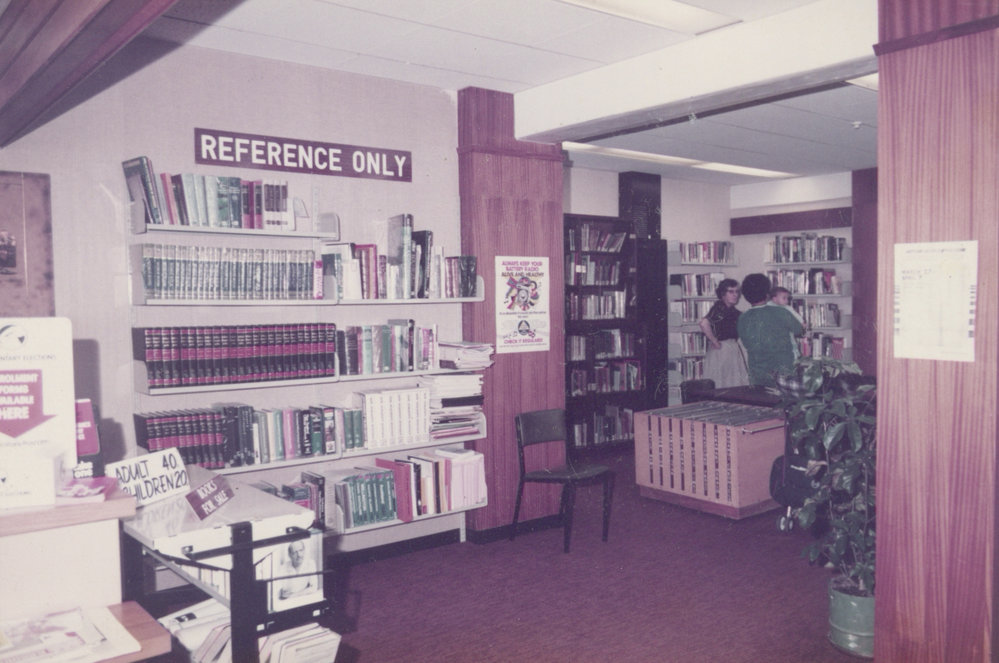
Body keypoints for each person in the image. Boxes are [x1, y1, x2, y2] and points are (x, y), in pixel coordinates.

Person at [737, 273, 804, 387]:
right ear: (767, 294)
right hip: (784, 371)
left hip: (758, 373)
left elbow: (745, 342)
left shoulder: (742, 318)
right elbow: (799, 330)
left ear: (745, 295)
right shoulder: (781, 312)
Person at [697, 278, 749, 388]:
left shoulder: (731, 310)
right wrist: (714, 341)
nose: (735, 295)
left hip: (730, 348)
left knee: (729, 382)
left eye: (736, 291)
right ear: (723, 294)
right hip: (722, 349)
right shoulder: (719, 308)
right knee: (723, 383)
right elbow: (703, 323)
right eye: (731, 292)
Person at [274, 539, 319, 608]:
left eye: (301, 550)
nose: (299, 555)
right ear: (290, 555)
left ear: (304, 551)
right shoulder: (283, 568)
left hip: (303, 600)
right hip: (287, 603)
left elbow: (314, 587)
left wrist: (293, 595)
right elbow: (279, 592)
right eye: (295, 552)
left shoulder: (310, 564)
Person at [768, 286, 806, 360]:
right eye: (784, 298)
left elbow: (796, 316)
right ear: (774, 299)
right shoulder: (768, 307)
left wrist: (801, 323)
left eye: (787, 298)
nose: (787, 301)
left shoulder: (787, 308)